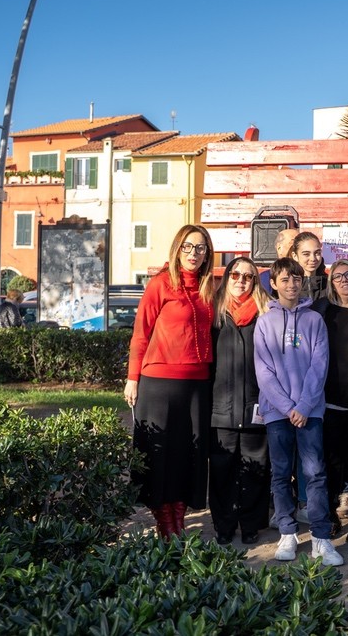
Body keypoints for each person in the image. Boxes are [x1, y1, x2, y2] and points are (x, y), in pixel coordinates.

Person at [125, 224, 215, 539]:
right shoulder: (160, 284)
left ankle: (179, 515)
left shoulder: (209, 288)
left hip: (197, 385)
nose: (194, 253)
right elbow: (140, 333)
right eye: (188, 246)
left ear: (207, 253)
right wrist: (132, 378)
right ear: (177, 249)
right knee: (159, 455)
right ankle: (164, 520)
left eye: (200, 247)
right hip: (159, 383)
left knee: (189, 454)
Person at [253, 257, 342, 565]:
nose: (291, 284)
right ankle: (287, 533)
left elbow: (320, 365)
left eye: (296, 279)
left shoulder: (314, 320)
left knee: (315, 472)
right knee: (280, 473)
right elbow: (263, 371)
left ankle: (320, 538)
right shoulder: (265, 322)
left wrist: (303, 406)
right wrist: (287, 407)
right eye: (285, 279)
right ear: (273, 284)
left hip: (310, 410)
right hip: (277, 411)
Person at [209, 257, 270, 546]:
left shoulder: (266, 313)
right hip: (221, 407)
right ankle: (223, 524)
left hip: (256, 406)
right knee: (222, 470)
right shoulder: (214, 313)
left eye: (248, 276)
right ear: (227, 278)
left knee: (255, 468)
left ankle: (250, 524)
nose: (241, 281)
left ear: (255, 281)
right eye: (235, 274)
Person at [311, 258, 348, 545]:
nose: (344, 280)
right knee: (332, 464)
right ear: (331, 283)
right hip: (330, 402)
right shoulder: (322, 311)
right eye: (337, 276)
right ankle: (332, 516)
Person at [260, 227, 300, 296]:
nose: (298, 249)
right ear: (279, 248)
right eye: (293, 244)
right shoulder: (266, 278)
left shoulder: (309, 274)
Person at [290, 232, 328, 303]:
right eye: (306, 254)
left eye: (317, 253)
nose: (313, 259)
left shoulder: (330, 284)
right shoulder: (289, 284)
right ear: (295, 256)